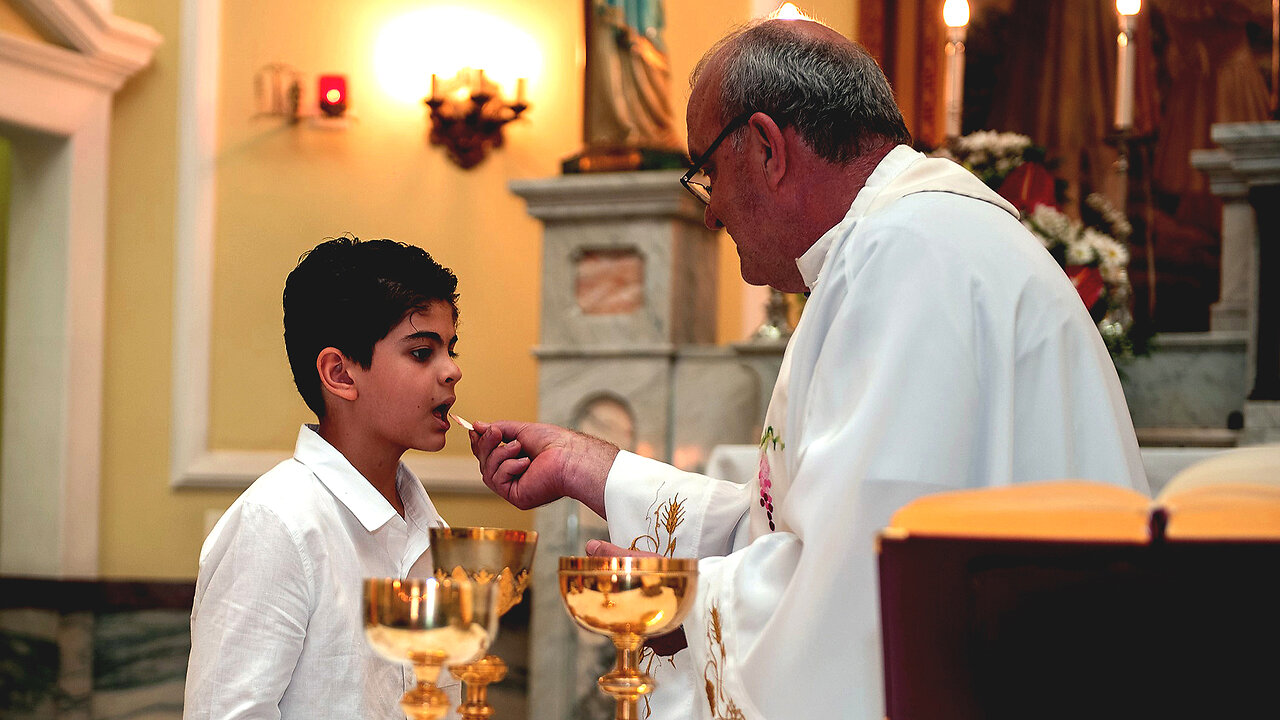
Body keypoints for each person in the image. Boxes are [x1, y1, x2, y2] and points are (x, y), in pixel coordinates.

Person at [470, 17, 1149, 720]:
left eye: (705, 172)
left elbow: (861, 583)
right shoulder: (908, 242)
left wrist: (678, 601)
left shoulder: (906, 257)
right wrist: (597, 468)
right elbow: (809, 529)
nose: (710, 215)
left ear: (766, 148)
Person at [184, 236, 465, 719]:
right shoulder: (277, 523)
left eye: (451, 349)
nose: (452, 371)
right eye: (422, 353)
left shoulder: (430, 528)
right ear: (340, 373)